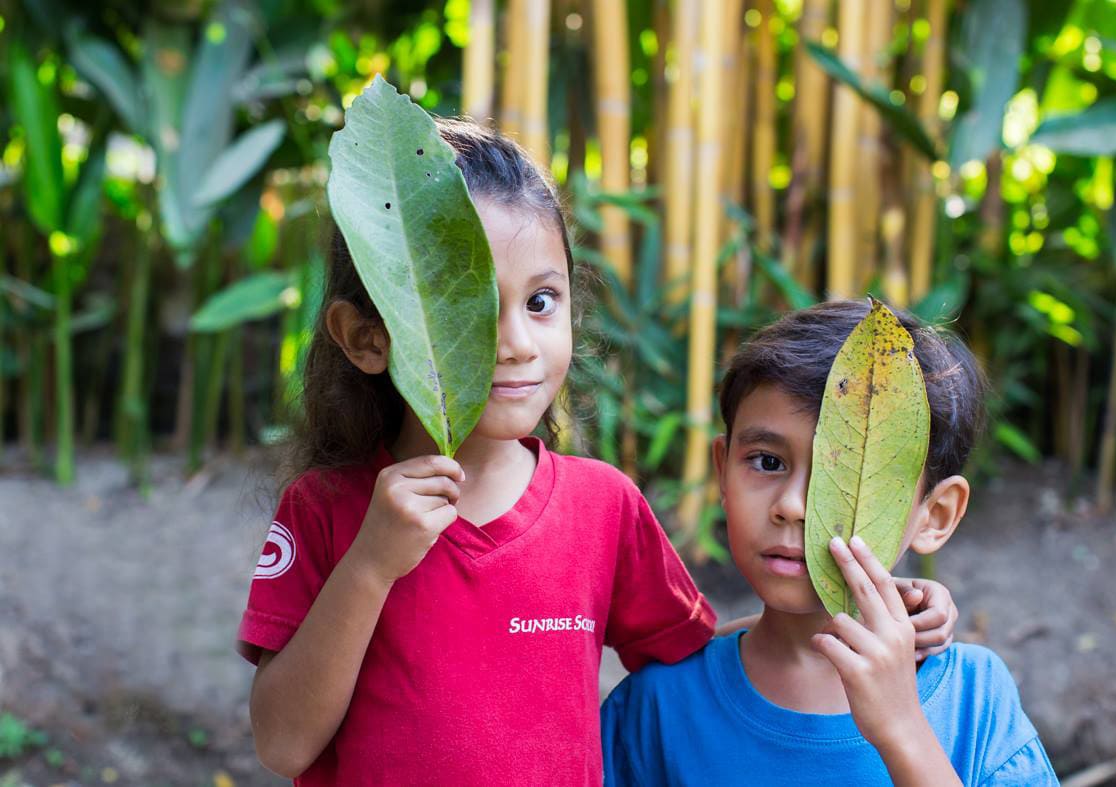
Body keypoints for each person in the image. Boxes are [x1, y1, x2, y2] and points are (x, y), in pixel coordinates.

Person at [237, 120, 959, 785]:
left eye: (540, 301)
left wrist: (862, 609)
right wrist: (369, 564)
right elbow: (283, 743)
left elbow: (695, 650)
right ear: (366, 335)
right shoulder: (327, 510)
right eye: (469, 308)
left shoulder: (602, 507)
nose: (516, 342)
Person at [601, 300, 1058, 786]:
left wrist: (902, 730)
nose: (793, 505)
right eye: (767, 462)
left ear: (935, 515)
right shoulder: (657, 708)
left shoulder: (972, 699)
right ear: (722, 470)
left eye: (841, 478)